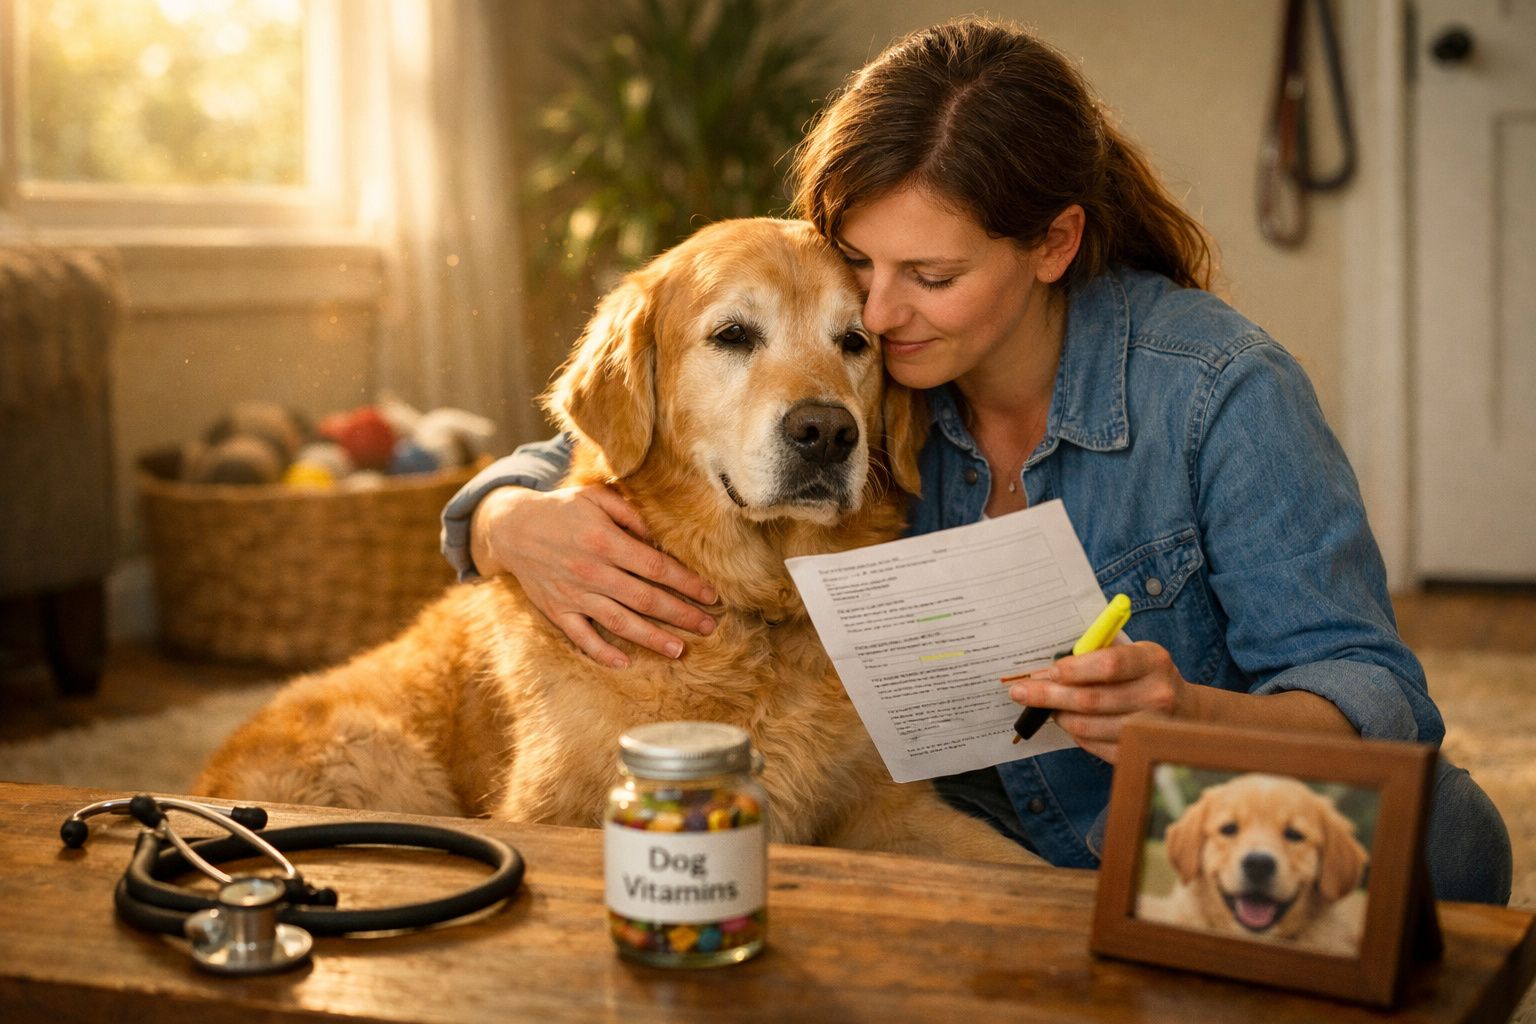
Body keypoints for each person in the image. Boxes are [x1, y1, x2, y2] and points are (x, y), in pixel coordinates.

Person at [440, 17, 1510, 903]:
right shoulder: (870, 362)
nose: (879, 313)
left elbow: (1372, 689)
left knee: (1449, 838)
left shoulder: (1219, 392)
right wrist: (501, 518)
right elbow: (645, 419)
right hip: (946, 820)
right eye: (859, 265)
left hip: (1168, 828)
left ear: (1051, 245)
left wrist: (1191, 717)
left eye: (932, 274)